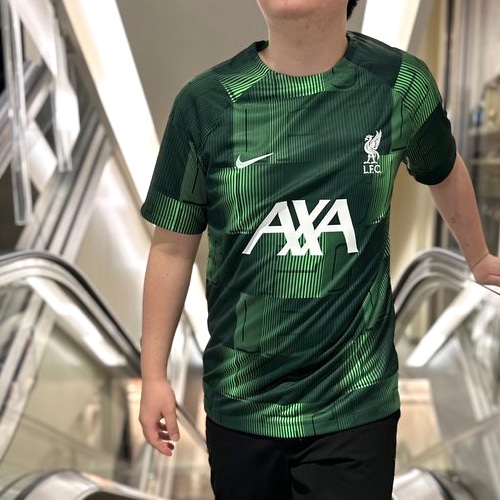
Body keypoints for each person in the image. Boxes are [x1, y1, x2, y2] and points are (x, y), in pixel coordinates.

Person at [139, 1, 500, 498]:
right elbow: (173, 246)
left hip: (355, 402)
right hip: (241, 401)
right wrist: (154, 374)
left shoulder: (398, 85)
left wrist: (477, 256)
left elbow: (444, 168)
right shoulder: (207, 104)